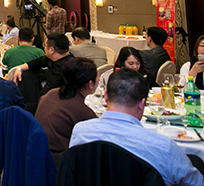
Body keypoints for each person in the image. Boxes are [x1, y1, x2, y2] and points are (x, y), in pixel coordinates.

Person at [70, 68, 204, 186]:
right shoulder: (163, 146)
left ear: (105, 97)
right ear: (142, 104)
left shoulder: (81, 131)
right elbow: (196, 183)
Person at [34, 57, 98, 163]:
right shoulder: (83, 112)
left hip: (36, 153)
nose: (99, 81)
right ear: (90, 84)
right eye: (97, 78)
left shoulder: (51, 94)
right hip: (58, 163)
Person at [13, 33, 74, 113]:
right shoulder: (60, 57)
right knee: (28, 75)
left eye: (45, 46)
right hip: (50, 97)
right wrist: (20, 68)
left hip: (56, 105)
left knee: (19, 110)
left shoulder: (64, 69)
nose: (44, 48)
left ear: (52, 50)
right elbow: (38, 61)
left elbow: (46, 94)